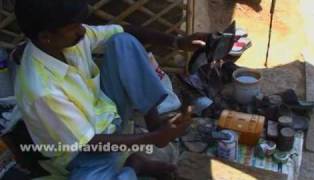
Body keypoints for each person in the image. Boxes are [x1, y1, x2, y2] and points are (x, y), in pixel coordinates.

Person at [14, 0, 208, 179]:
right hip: (82, 154)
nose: (82, 32)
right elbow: (89, 144)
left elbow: (121, 30)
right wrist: (152, 139)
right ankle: (135, 165)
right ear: (46, 37)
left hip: (108, 115)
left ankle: (154, 122)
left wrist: (177, 42)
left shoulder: (67, 40)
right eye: (74, 28)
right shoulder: (41, 91)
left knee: (123, 42)